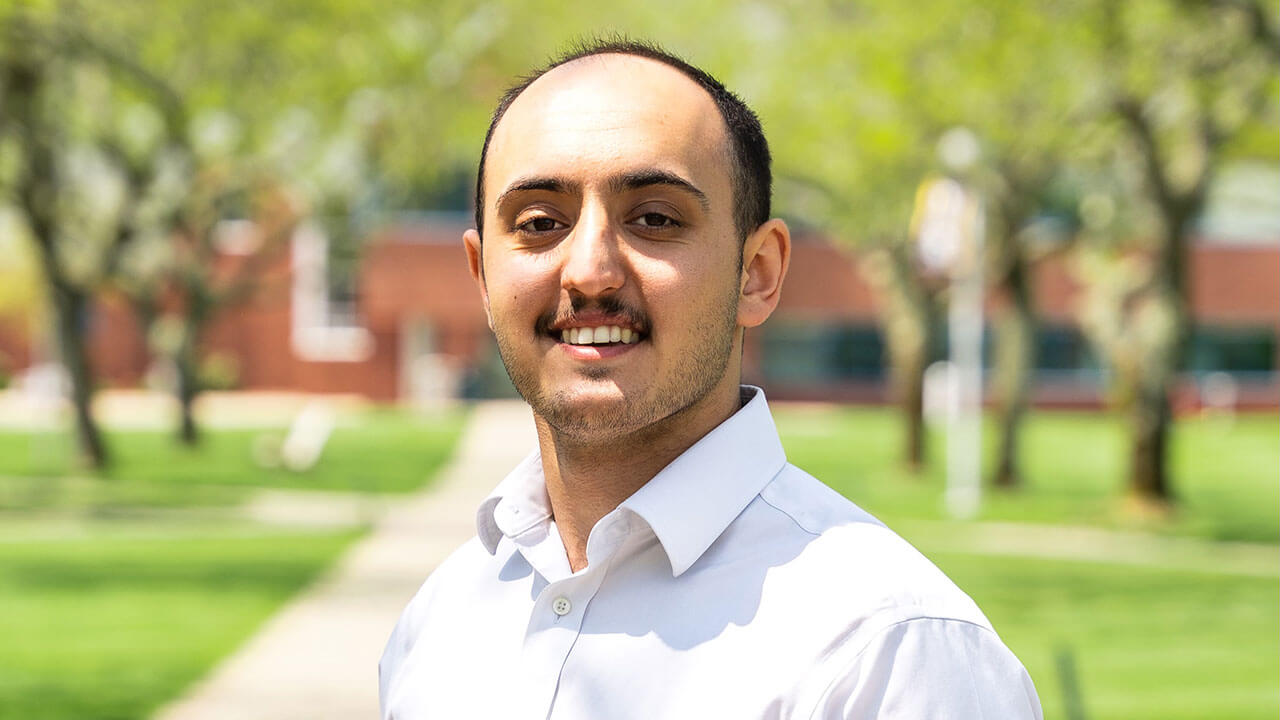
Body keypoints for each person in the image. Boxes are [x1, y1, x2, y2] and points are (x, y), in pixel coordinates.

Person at [380, 39, 1042, 720]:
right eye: (541, 222)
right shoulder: (440, 621)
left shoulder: (887, 655)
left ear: (757, 273)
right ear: (481, 276)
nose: (589, 271)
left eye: (655, 219)